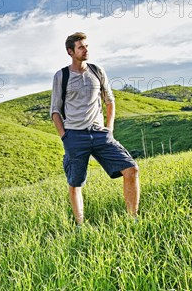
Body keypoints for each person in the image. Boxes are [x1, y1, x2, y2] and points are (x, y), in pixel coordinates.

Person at [50, 32, 139, 226]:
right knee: (75, 183)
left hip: (100, 134)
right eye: (81, 47)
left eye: (87, 46)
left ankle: (133, 220)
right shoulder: (61, 76)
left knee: (131, 169)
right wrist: (65, 137)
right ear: (70, 51)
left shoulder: (97, 71)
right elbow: (55, 111)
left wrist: (109, 128)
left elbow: (110, 100)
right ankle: (81, 226)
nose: (86, 50)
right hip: (74, 135)